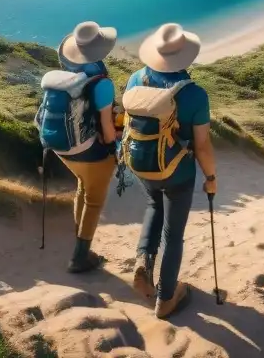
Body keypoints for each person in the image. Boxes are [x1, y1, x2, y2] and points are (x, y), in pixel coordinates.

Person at [121, 23, 217, 320]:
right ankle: (166, 299)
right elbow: (201, 145)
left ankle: (143, 260)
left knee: (153, 204)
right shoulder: (195, 95)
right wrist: (211, 178)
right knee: (174, 236)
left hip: (141, 163)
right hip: (177, 171)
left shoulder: (136, 78)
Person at [53, 21, 121, 273]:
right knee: (94, 200)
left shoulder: (67, 72)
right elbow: (105, 125)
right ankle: (80, 257)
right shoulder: (101, 83)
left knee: (83, 187)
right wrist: (115, 145)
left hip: (62, 148)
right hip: (87, 150)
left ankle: (79, 239)